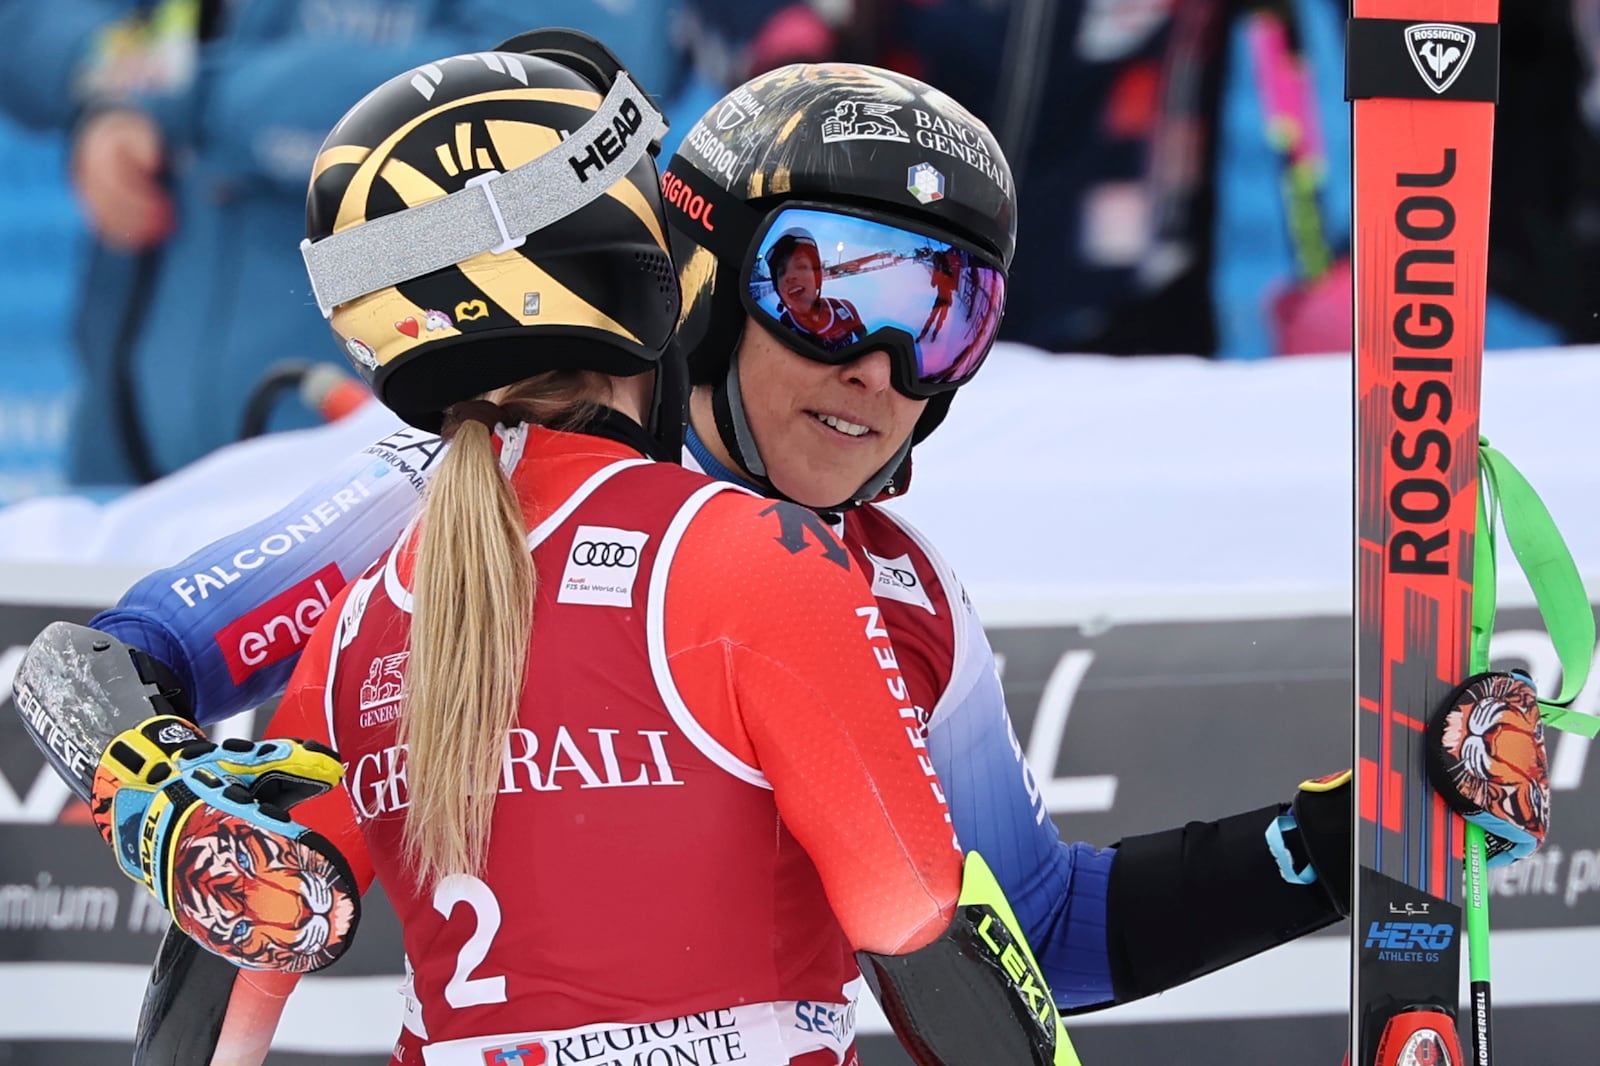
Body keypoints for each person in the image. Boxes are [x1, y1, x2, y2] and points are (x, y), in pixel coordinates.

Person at [11, 49, 1551, 1063]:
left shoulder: (899, 587)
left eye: (945, 314)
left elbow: (1042, 930)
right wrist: (153, 776)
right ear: (696, 278)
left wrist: (1349, 836)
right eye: (828, 287)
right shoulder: (438, 486)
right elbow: (107, 665)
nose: (881, 363)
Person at [57, 33, 1081, 1066]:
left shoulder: (370, 606)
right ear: (657, 289)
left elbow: (219, 983)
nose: (876, 370)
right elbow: (935, 942)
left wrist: (161, 786)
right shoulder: (764, 556)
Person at [0, 0, 675, 485]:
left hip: (400, 466)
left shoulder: (197, 97)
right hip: (126, 447)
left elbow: (558, 80)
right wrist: (107, 98)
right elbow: (42, 27)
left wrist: (192, 96)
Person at [765, 227, 869, 351]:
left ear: (817, 276)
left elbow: (867, 346)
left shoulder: (845, 309)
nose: (789, 276)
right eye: (781, 272)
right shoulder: (781, 330)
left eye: (801, 266)